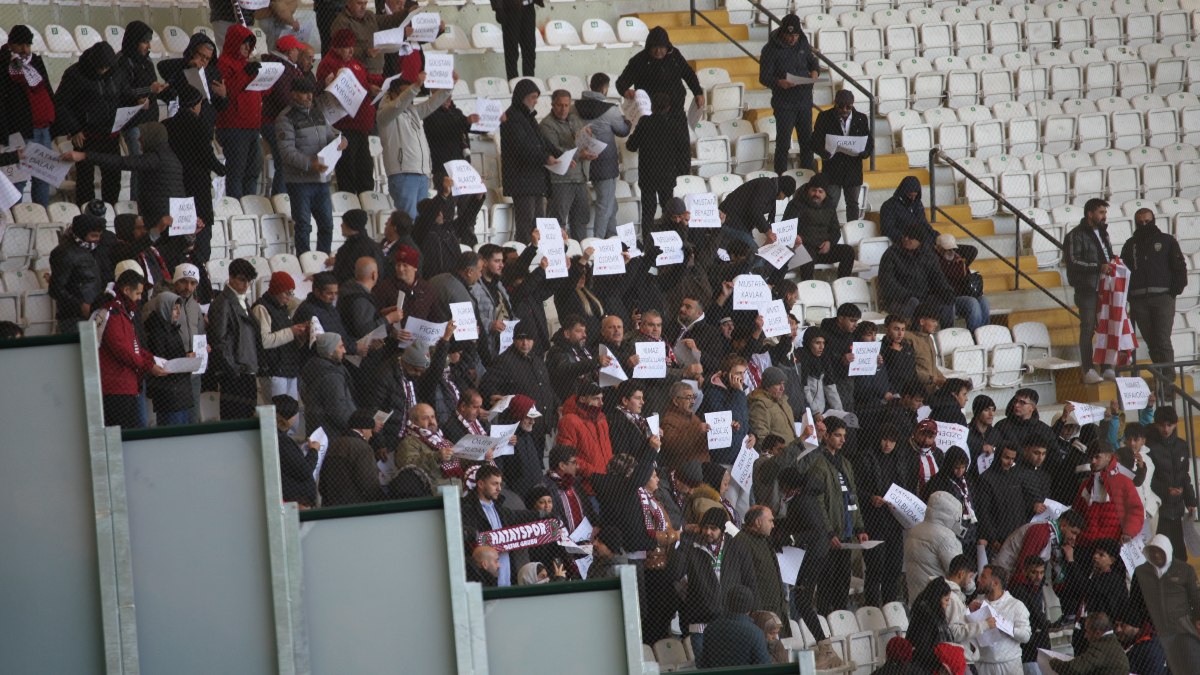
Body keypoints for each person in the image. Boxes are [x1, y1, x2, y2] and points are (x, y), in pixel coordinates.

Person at [54, 41, 126, 205]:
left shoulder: (117, 72)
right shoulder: (74, 74)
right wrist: (75, 128)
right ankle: (86, 215)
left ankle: (111, 212)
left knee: (113, 179)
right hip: (85, 136)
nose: (103, 71)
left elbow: (124, 94)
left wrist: (138, 100)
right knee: (85, 181)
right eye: (100, 67)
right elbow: (60, 103)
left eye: (106, 67)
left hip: (111, 135)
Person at [276, 77, 343, 254]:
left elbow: (331, 135)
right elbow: (287, 152)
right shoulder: (285, 118)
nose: (309, 97)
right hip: (299, 182)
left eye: (311, 93)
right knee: (304, 225)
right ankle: (304, 261)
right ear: (294, 95)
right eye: (305, 93)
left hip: (321, 179)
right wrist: (310, 164)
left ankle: (323, 261)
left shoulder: (318, 113)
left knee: (327, 224)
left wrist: (341, 140)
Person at [811, 417, 869, 613]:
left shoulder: (845, 462)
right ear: (825, 435)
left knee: (842, 584)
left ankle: (840, 620)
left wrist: (859, 527)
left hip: (846, 534)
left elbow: (853, 498)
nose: (842, 440)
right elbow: (818, 502)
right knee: (826, 584)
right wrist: (828, 533)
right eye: (837, 435)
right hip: (829, 536)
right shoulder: (818, 461)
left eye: (844, 436)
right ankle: (826, 627)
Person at [1122, 208, 1188, 377]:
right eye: (1140, 222)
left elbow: (1179, 267)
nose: (1144, 224)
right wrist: (1130, 295)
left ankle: (1169, 384)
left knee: (1163, 341)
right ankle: (1162, 379)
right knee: (1152, 344)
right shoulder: (1130, 245)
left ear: (1154, 220)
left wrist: (1173, 291)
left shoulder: (1167, 241)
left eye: (1147, 221)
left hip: (1163, 298)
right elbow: (1124, 271)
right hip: (1139, 301)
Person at [316, 28, 381, 195]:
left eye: (352, 46)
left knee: (365, 170)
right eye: (346, 47)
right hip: (345, 128)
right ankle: (350, 204)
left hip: (361, 127)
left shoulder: (355, 63)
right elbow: (323, 92)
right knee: (348, 170)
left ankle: (366, 202)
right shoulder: (328, 64)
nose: (351, 50)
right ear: (337, 47)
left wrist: (375, 85)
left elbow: (366, 80)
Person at [378, 72, 452, 219]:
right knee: (409, 220)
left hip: (421, 173)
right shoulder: (384, 114)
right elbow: (398, 105)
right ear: (392, 94)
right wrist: (416, 86)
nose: (410, 98)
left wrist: (449, 87)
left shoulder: (413, 112)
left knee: (423, 220)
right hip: (403, 174)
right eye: (406, 93)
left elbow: (432, 104)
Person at [99, 270, 168, 427]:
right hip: (116, 387)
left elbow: (133, 347)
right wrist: (149, 365)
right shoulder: (113, 313)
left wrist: (152, 359)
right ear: (126, 290)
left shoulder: (123, 312)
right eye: (137, 293)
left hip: (126, 386)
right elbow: (121, 349)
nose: (139, 298)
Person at [1127, 534, 1200, 675]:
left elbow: (1196, 598)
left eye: (1159, 551)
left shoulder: (1185, 570)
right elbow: (1134, 602)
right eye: (1152, 551)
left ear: (1167, 551)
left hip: (1182, 628)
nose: (1156, 554)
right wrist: (1137, 625)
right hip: (1153, 629)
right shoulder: (1141, 572)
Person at [0, 26, 54, 207]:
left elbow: (47, 90)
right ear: (11, 44)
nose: (25, 50)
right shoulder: (3, 63)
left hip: (43, 129)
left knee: (42, 177)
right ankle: (14, 220)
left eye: (28, 45)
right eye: (21, 45)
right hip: (20, 131)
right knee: (18, 179)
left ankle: (42, 216)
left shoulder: (36, 61)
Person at [758, 13, 819, 173]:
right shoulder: (770, 49)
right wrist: (779, 82)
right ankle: (781, 179)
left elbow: (812, 61)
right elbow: (764, 77)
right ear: (782, 33)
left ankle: (807, 178)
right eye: (789, 35)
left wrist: (814, 72)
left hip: (804, 101)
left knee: (807, 143)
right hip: (784, 104)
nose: (793, 39)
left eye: (796, 35)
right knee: (783, 144)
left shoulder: (803, 42)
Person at [667, 507, 730, 661]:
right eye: (705, 527)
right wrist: (693, 595)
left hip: (725, 619)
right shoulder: (689, 548)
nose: (707, 532)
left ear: (722, 530)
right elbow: (677, 578)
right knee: (703, 664)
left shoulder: (732, 548)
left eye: (713, 528)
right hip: (699, 621)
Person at [1064, 198, 1116, 384]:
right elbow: (1073, 261)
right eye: (1101, 212)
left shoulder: (1104, 233)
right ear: (1090, 214)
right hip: (1087, 288)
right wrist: (1098, 267)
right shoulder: (1074, 235)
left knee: (1107, 328)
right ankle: (1088, 369)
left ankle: (1107, 366)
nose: (1104, 216)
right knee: (1087, 329)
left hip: (1106, 287)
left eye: (1104, 212)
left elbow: (1108, 256)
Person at [855, 423, 908, 606]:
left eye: (892, 441)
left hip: (894, 521)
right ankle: (872, 609)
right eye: (885, 439)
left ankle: (889, 608)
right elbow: (855, 490)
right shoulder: (866, 458)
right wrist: (870, 498)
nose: (887, 444)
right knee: (875, 567)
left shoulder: (899, 459)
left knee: (893, 569)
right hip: (873, 521)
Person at [500, 79, 559, 242]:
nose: (535, 101)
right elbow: (522, 146)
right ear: (522, 97)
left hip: (534, 179)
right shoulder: (512, 117)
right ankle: (524, 260)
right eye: (532, 97)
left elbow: (543, 141)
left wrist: (561, 155)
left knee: (538, 224)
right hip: (522, 180)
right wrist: (546, 158)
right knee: (526, 225)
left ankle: (536, 257)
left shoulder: (528, 117)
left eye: (536, 97)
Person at [721, 506, 790, 642]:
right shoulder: (741, 542)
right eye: (770, 521)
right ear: (758, 522)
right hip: (759, 613)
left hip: (774, 610)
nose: (773, 525)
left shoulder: (764, 540)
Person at [626, 92, 692, 232]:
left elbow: (630, 146)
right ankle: (669, 241)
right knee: (669, 212)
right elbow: (683, 148)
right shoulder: (674, 125)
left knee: (648, 214)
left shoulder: (644, 122)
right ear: (668, 108)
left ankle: (648, 245)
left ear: (652, 107)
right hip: (667, 175)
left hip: (648, 175)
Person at [575, 73, 631, 238]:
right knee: (604, 206)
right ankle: (599, 244)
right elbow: (622, 130)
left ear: (591, 85)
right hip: (606, 163)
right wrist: (627, 120)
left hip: (584, 159)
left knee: (610, 204)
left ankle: (612, 236)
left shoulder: (575, 107)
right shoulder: (611, 110)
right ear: (605, 88)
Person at [214, 25, 264, 199]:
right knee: (236, 173)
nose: (247, 48)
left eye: (250, 45)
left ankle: (248, 207)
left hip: (251, 126)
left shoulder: (246, 65)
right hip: (234, 126)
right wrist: (246, 74)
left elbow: (258, 92)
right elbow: (227, 92)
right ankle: (237, 208)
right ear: (235, 43)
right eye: (244, 44)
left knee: (252, 172)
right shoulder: (223, 63)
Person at [207, 258, 260, 419]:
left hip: (246, 370)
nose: (246, 285)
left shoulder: (241, 300)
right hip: (235, 373)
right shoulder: (222, 303)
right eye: (242, 280)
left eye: (249, 281)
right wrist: (234, 370)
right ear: (230, 277)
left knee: (248, 418)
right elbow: (219, 340)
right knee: (236, 419)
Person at [540, 89, 596, 241]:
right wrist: (580, 153)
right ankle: (558, 256)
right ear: (552, 104)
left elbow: (583, 141)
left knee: (581, 219)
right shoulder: (546, 124)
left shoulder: (575, 119)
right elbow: (556, 150)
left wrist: (589, 140)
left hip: (580, 177)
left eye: (566, 105)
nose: (563, 109)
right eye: (559, 105)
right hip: (560, 179)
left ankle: (579, 257)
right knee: (557, 222)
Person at [615, 26, 704, 121]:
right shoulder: (639, 60)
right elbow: (621, 82)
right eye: (654, 47)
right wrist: (625, 91)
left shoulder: (674, 55)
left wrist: (697, 92)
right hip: (651, 115)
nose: (658, 51)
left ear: (667, 47)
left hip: (676, 111)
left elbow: (688, 73)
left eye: (661, 47)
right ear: (649, 47)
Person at [812, 89, 873, 220]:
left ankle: (853, 232)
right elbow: (814, 141)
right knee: (830, 203)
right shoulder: (824, 117)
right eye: (841, 106)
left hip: (853, 168)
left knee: (853, 204)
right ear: (835, 103)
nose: (844, 110)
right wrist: (824, 153)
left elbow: (869, 141)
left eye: (848, 107)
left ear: (853, 104)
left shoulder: (861, 118)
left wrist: (864, 153)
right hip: (833, 168)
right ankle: (829, 232)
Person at [1146, 406, 1197, 560]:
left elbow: (1184, 475)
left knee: (1180, 552)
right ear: (1156, 425)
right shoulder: (1150, 447)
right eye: (1162, 425)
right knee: (1162, 552)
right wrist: (1166, 491)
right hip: (1159, 508)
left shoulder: (1182, 445)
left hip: (1178, 507)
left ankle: (1183, 582)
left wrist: (1190, 500)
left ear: (1175, 424)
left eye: (1170, 425)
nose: (1166, 429)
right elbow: (1149, 479)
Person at [783, 174, 856, 280]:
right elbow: (786, 226)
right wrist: (795, 237)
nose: (816, 194)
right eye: (813, 190)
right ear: (808, 190)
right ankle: (808, 290)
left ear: (825, 193)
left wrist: (830, 242)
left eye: (820, 191)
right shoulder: (796, 204)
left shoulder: (829, 206)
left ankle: (842, 285)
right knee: (807, 256)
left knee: (848, 251)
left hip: (823, 249)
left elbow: (835, 230)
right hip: (803, 248)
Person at [1073, 442, 1144, 550]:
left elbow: (1136, 511)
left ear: (1108, 456)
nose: (1093, 461)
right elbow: (1077, 512)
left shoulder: (1124, 482)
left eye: (1097, 457)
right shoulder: (1086, 484)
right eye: (1090, 457)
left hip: (1111, 546)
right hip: (1085, 544)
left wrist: (1128, 533)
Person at [879, 224, 955, 324]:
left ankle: (946, 334)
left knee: (947, 301)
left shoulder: (928, 254)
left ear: (919, 241)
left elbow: (937, 277)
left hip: (924, 297)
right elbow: (888, 283)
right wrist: (908, 295)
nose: (906, 239)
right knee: (914, 303)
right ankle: (914, 334)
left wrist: (946, 291)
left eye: (910, 237)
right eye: (904, 235)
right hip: (899, 300)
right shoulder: (891, 254)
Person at [142, 292, 196, 426]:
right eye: (174, 308)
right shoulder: (157, 332)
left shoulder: (172, 328)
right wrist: (184, 359)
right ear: (164, 308)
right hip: (169, 394)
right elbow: (161, 360)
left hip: (179, 392)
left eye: (179, 308)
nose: (178, 312)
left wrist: (187, 357)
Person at [252, 272, 307, 401]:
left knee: (292, 416)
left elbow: (286, 338)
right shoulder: (261, 308)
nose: (289, 297)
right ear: (276, 291)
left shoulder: (282, 308)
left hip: (288, 369)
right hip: (273, 370)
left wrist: (300, 336)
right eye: (287, 293)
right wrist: (292, 331)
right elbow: (264, 341)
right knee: (278, 416)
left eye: (291, 293)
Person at [904, 490, 965, 603]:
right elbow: (958, 571)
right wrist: (970, 587)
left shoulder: (914, 530)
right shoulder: (946, 537)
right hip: (940, 601)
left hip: (916, 599)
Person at [49, 214, 106, 333]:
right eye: (93, 235)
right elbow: (55, 289)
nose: (97, 240)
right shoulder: (64, 253)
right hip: (73, 319)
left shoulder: (88, 251)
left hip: (92, 313)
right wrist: (80, 306)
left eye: (99, 236)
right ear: (82, 233)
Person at [318, 409, 386, 506]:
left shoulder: (333, 444)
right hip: (355, 506)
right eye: (370, 430)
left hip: (330, 504)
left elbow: (323, 482)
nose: (371, 435)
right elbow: (368, 483)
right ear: (363, 429)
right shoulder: (363, 448)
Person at [973, 565, 1033, 675]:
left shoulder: (1016, 605)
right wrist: (967, 611)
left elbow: (1026, 636)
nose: (979, 580)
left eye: (983, 577)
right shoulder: (976, 604)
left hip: (1009, 665)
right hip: (983, 665)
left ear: (995, 583)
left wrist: (1003, 625)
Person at [695, 584, 772, 668]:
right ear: (750, 607)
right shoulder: (756, 633)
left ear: (727, 603)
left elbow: (703, 664)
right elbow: (765, 667)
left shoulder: (710, 630)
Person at [329, 0, 412, 75]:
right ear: (348, 3)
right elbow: (339, 50)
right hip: (357, 73)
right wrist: (365, 52)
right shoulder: (341, 22)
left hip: (378, 72)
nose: (363, 7)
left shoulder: (369, 15)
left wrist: (408, 12)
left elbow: (389, 20)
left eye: (365, 3)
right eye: (359, 3)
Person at [717, 175, 797, 251]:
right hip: (730, 221)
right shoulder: (767, 186)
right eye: (785, 196)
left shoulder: (769, 186)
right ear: (782, 191)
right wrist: (767, 231)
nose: (783, 199)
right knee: (752, 255)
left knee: (749, 254)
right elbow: (755, 210)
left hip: (738, 223)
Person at [300, 332, 357, 436]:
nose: (344, 350)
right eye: (341, 347)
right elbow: (338, 410)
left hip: (319, 430)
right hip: (332, 434)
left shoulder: (314, 367)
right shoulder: (331, 377)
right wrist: (355, 426)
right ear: (330, 351)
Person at [935, 233, 990, 332]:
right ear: (938, 248)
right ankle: (974, 334)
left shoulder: (959, 260)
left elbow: (972, 250)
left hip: (963, 294)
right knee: (972, 302)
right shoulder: (934, 261)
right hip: (949, 298)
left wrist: (961, 263)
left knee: (983, 300)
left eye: (952, 249)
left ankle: (984, 333)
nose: (950, 252)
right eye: (947, 249)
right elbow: (947, 273)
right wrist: (957, 265)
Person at [272, 395, 318, 507]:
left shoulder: (278, 437)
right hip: (296, 502)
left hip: (294, 499)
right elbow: (304, 471)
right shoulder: (282, 441)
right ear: (289, 416)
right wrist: (313, 451)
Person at [1048, 613, 1129, 675]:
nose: (1085, 636)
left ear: (1097, 633)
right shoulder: (1112, 642)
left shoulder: (1100, 647)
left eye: (1087, 631)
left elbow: (1075, 669)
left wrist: (1052, 661)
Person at [659, 381, 711, 472]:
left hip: (702, 468)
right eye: (688, 398)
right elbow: (674, 447)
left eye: (693, 397)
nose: (693, 401)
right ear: (676, 401)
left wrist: (725, 428)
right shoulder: (668, 420)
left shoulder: (693, 417)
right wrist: (697, 430)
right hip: (684, 473)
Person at [906, 578, 956, 673]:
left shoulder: (931, 614)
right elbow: (923, 649)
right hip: (924, 668)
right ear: (937, 598)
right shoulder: (924, 617)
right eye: (946, 600)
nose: (947, 604)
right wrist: (942, 663)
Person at [879, 176, 937, 245]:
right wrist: (903, 238)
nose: (912, 199)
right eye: (910, 196)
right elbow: (888, 228)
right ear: (903, 193)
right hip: (902, 242)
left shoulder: (917, 203)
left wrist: (936, 235)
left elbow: (923, 223)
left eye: (915, 196)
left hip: (921, 239)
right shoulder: (889, 205)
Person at [1113, 604, 1168, 675]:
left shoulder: (1149, 647)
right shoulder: (1129, 643)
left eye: (1123, 625)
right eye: (1116, 625)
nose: (1118, 630)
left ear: (1135, 625)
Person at [331, 210, 384, 284]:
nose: (341, 225)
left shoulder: (367, 248)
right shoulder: (348, 246)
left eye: (344, 222)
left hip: (355, 292)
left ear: (351, 224)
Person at [748, 366, 797, 444]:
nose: (782, 388)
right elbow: (762, 439)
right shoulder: (760, 405)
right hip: (779, 454)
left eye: (783, 384)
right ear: (767, 386)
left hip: (792, 451)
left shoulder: (782, 400)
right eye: (778, 384)